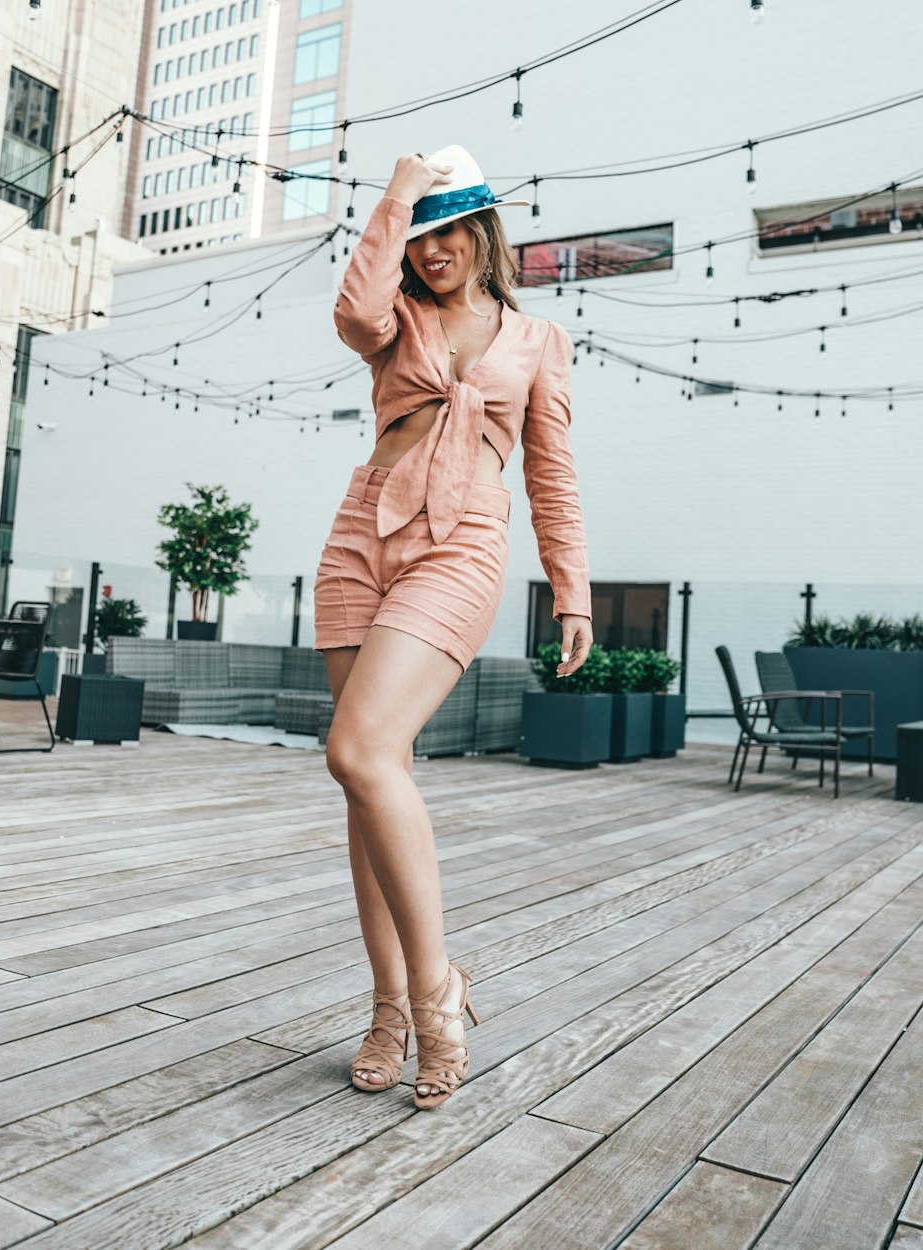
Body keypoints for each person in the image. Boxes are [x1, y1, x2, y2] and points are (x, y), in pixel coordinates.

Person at [313, 144, 593, 1110]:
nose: (431, 251)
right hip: (364, 528)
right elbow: (352, 309)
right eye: (419, 236)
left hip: (463, 538)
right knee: (367, 779)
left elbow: (550, 475)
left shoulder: (538, 340)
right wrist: (392, 196)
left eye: (446, 232)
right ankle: (387, 1004)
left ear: (483, 233)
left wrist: (573, 591)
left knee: (357, 750)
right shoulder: (398, 319)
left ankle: (438, 994)